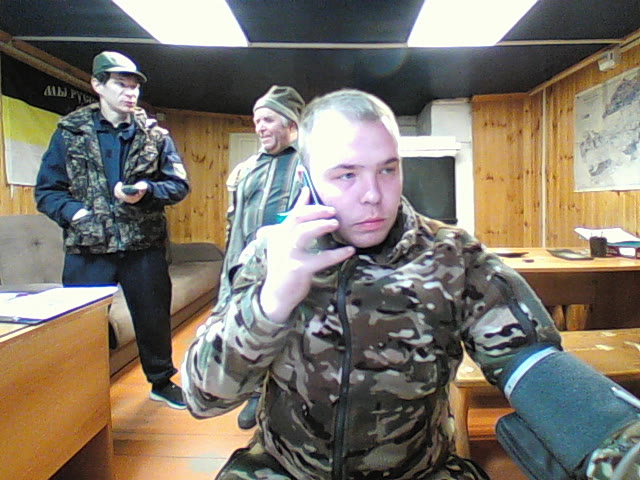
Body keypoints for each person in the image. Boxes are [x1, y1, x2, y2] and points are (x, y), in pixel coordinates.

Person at [182, 89, 640, 479]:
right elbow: (203, 398)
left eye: (387, 169)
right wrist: (271, 303)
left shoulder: (453, 256)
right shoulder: (272, 254)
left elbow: (531, 361)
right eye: (346, 174)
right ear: (306, 180)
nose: (372, 195)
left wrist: (620, 450)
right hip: (285, 470)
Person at [35, 51, 190, 410]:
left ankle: (161, 381)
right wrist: (75, 213)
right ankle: (82, 392)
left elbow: (179, 185)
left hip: (143, 245)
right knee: (82, 326)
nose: (130, 92)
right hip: (88, 247)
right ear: (97, 85)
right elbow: (47, 191)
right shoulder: (69, 133)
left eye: (134, 86)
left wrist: (147, 192)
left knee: (153, 318)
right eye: (121, 84)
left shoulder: (155, 136)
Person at [219, 85, 305, 429]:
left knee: (292, 332)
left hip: (293, 268)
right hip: (248, 266)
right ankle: (255, 391)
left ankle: (292, 396)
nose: (260, 127)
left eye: (268, 119)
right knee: (252, 327)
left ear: (290, 123)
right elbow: (234, 223)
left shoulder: (311, 163)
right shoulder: (246, 169)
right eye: (257, 121)